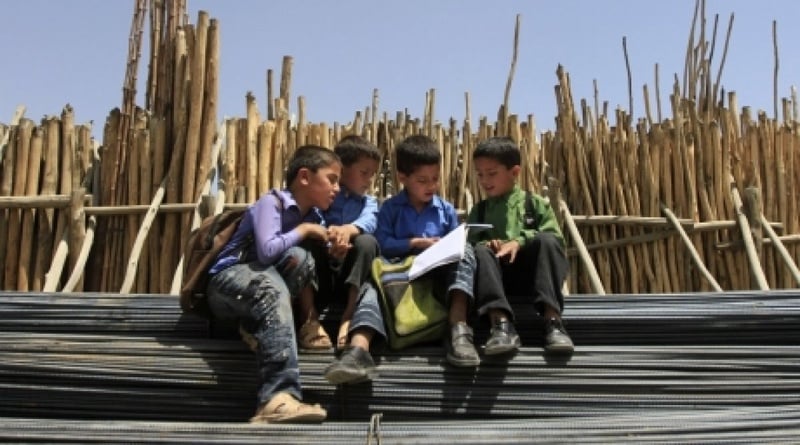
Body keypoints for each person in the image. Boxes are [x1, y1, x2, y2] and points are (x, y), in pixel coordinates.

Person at [205, 145, 341, 423]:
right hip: (228, 282)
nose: (337, 188)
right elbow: (267, 251)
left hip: (262, 284)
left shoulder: (314, 216)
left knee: (301, 259)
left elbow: (300, 264)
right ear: (305, 177)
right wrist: (303, 231)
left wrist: (334, 247)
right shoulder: (272, 203)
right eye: (332, 179)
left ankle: (255, 328)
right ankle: (276, 399)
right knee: (270, 285)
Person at [374, 134, 490, 367]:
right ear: (402, 178)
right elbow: (382, 243)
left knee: (466, 250)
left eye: (435, 179)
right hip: (402, 276)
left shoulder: (445, 209)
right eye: (422, 180)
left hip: (438, 273)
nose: (431, 186)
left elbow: (455, 244)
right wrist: (415, 243)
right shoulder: (390, 209)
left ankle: (458, 328)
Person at [466, 136, 574, 353]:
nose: (485, 180)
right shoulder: (480, 211)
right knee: (478, 251)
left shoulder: (534, 204)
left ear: (514, 172)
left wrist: (520, 241)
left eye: (492, 173)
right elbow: (469, 245)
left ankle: (553, 322)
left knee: (547, 240)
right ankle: (501, 325)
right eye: (480, 174)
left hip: (534, 280)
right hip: (496, 283)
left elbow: (555, 238)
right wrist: (488, 244)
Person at [315, 135, 387, 385]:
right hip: (324, 271)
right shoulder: (326, 196)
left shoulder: (369, 202)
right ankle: (310, 319)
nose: (369, 180)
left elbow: (369, 222)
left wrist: (348, 230)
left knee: (367, 242)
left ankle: (350, 312)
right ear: (342, 171)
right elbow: (313, 218)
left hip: (352, 274)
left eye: (372, 174)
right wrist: (330, 237)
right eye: (364, 172)